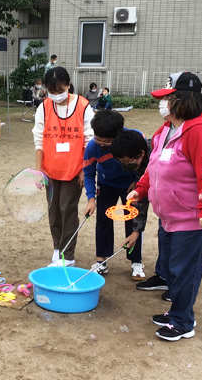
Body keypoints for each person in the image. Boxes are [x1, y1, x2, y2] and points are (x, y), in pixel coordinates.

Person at [127, 72, 202, 342]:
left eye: (168, 98)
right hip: (168, 216)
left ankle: (183, 321)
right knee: (171, 269)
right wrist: (141, 188)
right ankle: (177, 311)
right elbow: (153, 165)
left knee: (185, 271)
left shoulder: (200, 132)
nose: (163, 104)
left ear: (182, 100)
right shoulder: (166, 129)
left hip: (191, 219)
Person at [33, 67, 95, 267]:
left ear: (68, 85)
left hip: (74, 170)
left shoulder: (84, 106)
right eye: (52, 91)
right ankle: (57, 248)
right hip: (50, 169)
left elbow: (89, 140)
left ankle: (68, 255)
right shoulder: (44, 106)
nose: (56, 95)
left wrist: (83, 171)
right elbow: (39, 140)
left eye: (60, 90)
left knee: (67, 209)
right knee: (53, 211)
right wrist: (38, 170)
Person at [82, 111, 148, 281]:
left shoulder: (135, 138)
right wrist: (91, 198)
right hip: (106, 184)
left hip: (130, 185)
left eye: (107, 141)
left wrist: (137, 181)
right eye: (98, 139)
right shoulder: (92, 147)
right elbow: (89, 173)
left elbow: (145, 163)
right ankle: (101, 261)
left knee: (133, 219)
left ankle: (136, 261)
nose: (102, 144)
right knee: (103, 221)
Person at [111, 130, 169, 294]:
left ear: (140, 154)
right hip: (166, 208)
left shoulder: (161, 153)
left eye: (126, 161)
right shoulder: (141, 162)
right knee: (164, 234)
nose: (125, 165)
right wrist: (136, 231)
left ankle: (177, 286)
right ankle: (163, 276)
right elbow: (141, 199)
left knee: (179, 242)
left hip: (185, 205)